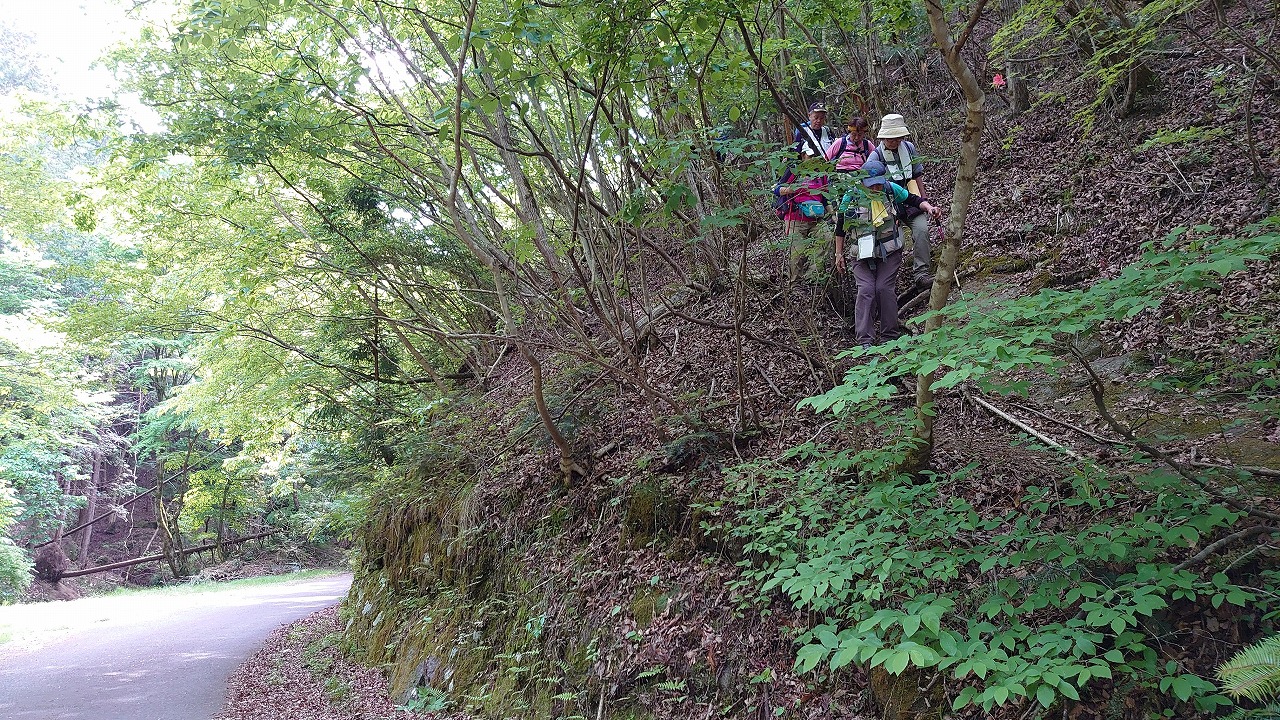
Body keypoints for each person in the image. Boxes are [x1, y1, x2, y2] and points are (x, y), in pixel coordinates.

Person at [833, 159, 942, 349]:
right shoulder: (851, 196)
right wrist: (838, 254)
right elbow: (840, 227)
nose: (875, 188)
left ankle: (889, 336)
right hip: (861, 255)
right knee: (866, 290)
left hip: (889, 251)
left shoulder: (891, 189)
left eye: (878, 183)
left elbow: (914, 200)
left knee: (884, 288)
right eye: (871, 184)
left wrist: (929, 208)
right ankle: (864, 340)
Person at [872, 113, 933, 287]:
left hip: (912, 198)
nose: (894, 142)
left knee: (922, 231)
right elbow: (870, 185)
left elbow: (917, 174)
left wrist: (924, 199)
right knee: (895, 241)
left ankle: (921, 273)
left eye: (898, 138)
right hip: (889, 204)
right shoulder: (876, 156)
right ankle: (889, 281)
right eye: (891, 138)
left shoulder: (909, 148)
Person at [773, 162, 830, 283]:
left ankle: (812, 278)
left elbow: (825, 198)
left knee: (826, 239)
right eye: (809, 155)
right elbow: (777, 189)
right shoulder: (794, 169)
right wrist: (790, 189)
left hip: (817, 218)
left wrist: (834, 215)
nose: (813, 158)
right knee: (797, 252)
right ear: (803, 155)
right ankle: (795, 284)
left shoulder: (821, 173)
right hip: (795, 217)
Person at [827, 117, 876, 257]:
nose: (856, 138)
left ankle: (861, 241)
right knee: (841, 215)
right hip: (840, 184)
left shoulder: (867, 145)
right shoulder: (840, 143)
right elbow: (825, 161)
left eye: (860, 135)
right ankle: (839, 247)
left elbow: (875, 162)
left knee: (862, 213)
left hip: (860, 183)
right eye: (854, 134)